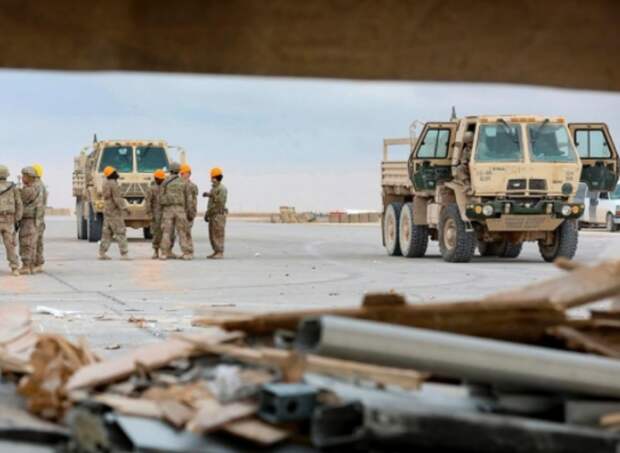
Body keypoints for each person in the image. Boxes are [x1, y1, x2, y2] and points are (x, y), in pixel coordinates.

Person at [159, 162, 193, 260]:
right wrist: (188, 211)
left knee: (166, 232)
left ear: (170, 170)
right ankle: (186, 253)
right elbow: (188, 199)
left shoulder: (164, 183)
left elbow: (160, 198)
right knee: (182, 231)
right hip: (180, 210)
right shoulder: (184, 182)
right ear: (179, 170)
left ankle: (164, 253)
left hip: (168, 210)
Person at [98, 166, 130, 260]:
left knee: (107, 232)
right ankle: (124, 253)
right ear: (111, 174)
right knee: (120, 231)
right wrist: (125, 208)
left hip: (107, 210)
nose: (117, 173)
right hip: (114, 211)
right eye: (115, 172)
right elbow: (117, 198)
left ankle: (102, 252)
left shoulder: (105, 183)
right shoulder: (113, 183)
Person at [18, 166, 45, 274]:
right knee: (36, 242)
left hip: (29, 220)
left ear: (29, 177)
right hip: (38, 219)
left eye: (24, 176)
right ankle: (36, 264)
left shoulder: (29, 189)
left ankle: (26, 266)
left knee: (26, 242)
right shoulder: (41, 186)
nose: (22, 178)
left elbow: (21, 201)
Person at [0, 165, 23, 276]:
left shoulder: (12, 187)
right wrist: (17, 219)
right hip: (9, 220)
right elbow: (19, 203)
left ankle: (14, 266)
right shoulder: (13, 187)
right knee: (10, 245)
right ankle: (14, 267)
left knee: (10, 245)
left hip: (7, 219)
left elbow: (18, 203)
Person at [203, 167, 228, 259]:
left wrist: (210, 195)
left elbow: (220, 202)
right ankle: (216, 251)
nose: (211, 179)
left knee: (218, 233)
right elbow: (212, 203)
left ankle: (220, 252)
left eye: (212, 177)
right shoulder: (214, 188)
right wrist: (207, 213)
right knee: (212, 234)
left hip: (218, 214)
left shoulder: (222, 189)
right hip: (213, 214)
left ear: (215, 178)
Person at [145, 169, 166, 259]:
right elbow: (148, 202)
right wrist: (149, 214)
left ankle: (164, 251)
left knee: (165, 233)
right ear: (156, 178)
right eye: (160, 179)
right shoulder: (151, 189)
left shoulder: (165, 187)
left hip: (165, 214)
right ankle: (156, 251)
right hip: (155, 214)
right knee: (156, 233)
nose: (162, 180)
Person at [32, 163, 47, 273]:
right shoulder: (41, 185)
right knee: (39, 240)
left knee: (35, 241)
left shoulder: (37, 185)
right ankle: (39, 262)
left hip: (37, 218)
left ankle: (37, 263)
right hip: (40, 217)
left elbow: (38, 204)